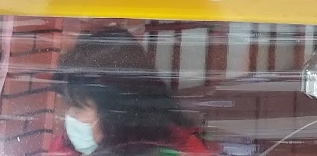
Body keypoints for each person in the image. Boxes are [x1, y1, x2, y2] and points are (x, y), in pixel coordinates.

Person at [51, 27, 211, 156]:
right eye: (68, 105)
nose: (68, 117)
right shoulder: (64, 147)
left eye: (78, 108)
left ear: (116, 113)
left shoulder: (179, 151)